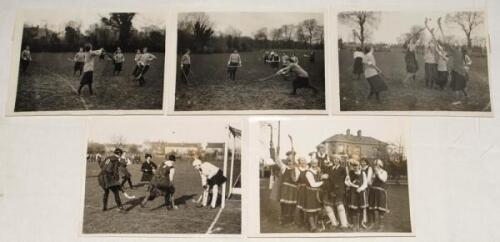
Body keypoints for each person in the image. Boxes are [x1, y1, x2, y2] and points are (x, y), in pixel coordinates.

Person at [297, 158, 324, 232]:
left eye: (316, 163)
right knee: (310, 210)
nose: (315, 165)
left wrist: (322, 176)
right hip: (310, 193)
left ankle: (314, 226)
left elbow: (319, 177)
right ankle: (313, 227)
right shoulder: (308, 172)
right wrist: (323, 182)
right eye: (313, 163)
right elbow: (313, 184)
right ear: (311, 164)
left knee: (316, 210)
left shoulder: (317, 171)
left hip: (317, 193)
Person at [274, 151, 300, 225]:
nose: (290, 162)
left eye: (292, 159)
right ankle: (284, 220)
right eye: (289, 160)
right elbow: (278, 161)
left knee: (292, 204)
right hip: (285, 189)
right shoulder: (284, 167)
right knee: (284, 204)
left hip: (294, 189)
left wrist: (295, 170)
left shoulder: (296, 169)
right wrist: (276, 153)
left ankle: (291, 220)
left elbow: (296, 179)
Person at [345, 159, 368, 231]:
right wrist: (350, 183)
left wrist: (360, 188)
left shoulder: (363, 173)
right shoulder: (350, 173)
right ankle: (354, 225)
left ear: (359, 166)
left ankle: (359, 225)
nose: (355, 167)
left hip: (361, 192)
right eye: (353, 166)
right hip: (353, 193)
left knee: (360, 209)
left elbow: (365, 183)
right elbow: (346, 182)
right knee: (354, 209)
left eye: (356, 165)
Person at [327, 154, 349, 230]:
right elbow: (328, 179)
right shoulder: (329, 168)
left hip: (339, 189)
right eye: (334, 159)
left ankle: (344, 224)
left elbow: (343, 180)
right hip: (331, 190)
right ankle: (334, 223)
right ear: (332, 160)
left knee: (340, 206)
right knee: (330, 206)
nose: (335, 160)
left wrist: (336, 186)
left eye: (337, 159)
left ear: (339, 160)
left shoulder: (343, 169)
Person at [319, 154, 341, 229]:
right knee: (327, 206)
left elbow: (333, 180)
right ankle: (334, 222)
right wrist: (322, 176)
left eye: (327, 163)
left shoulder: (332, 169)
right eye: (325, 164)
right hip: (325, 190)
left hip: (332, 190)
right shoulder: (328, 169)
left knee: (332, 206)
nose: (326, 165)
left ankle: (336, 222)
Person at [368, 159, 389, 231]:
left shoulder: (384, 172)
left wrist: (378, 174)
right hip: (373, 192)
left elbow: (384, 179)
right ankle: (372, 224)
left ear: (380, 165)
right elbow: (370, 183)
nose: (375, 167)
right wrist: (371, 178)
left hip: (380, 192)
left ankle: (381, 225)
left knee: (380, 209)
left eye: (376, 165)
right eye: (374, 165)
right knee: (371, 209)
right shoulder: (373, 173)